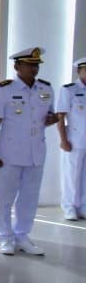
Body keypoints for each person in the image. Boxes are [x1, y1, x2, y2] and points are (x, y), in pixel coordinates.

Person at [0, 47, 57, 255]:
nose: (33, 68)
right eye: (28, 64)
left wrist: (53, 120)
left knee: (29, 197)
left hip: (36, 151)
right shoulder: (3, 90)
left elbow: (48, 117)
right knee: (5, 197)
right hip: (9, 151)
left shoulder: (46, 89)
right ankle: (5, 237)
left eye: (36, 65)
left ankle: (23, 235)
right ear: (17, 66)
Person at [56, 57, 86, 220]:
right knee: (72, 174)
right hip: (75, 138)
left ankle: (83, 206)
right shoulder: (69, 89)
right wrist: (63, 139)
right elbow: (61, 116)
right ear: (79, 71)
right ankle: (69, 207)